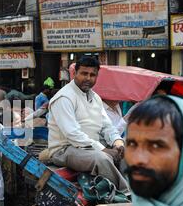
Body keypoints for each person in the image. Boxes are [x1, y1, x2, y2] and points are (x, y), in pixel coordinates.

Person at [48, 56, 128, 190]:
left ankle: (138, 192)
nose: (88, 78)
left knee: (126, 153)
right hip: (65, 149)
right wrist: (103, 149)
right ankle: (126, 195)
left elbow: (107, 126)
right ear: (75, 74)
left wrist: (117, 142)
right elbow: (72, 134)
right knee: (102, 159)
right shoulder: (64, 97)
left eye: (92, 75)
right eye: (84, 73)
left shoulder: (95, 97)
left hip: (90, 147)